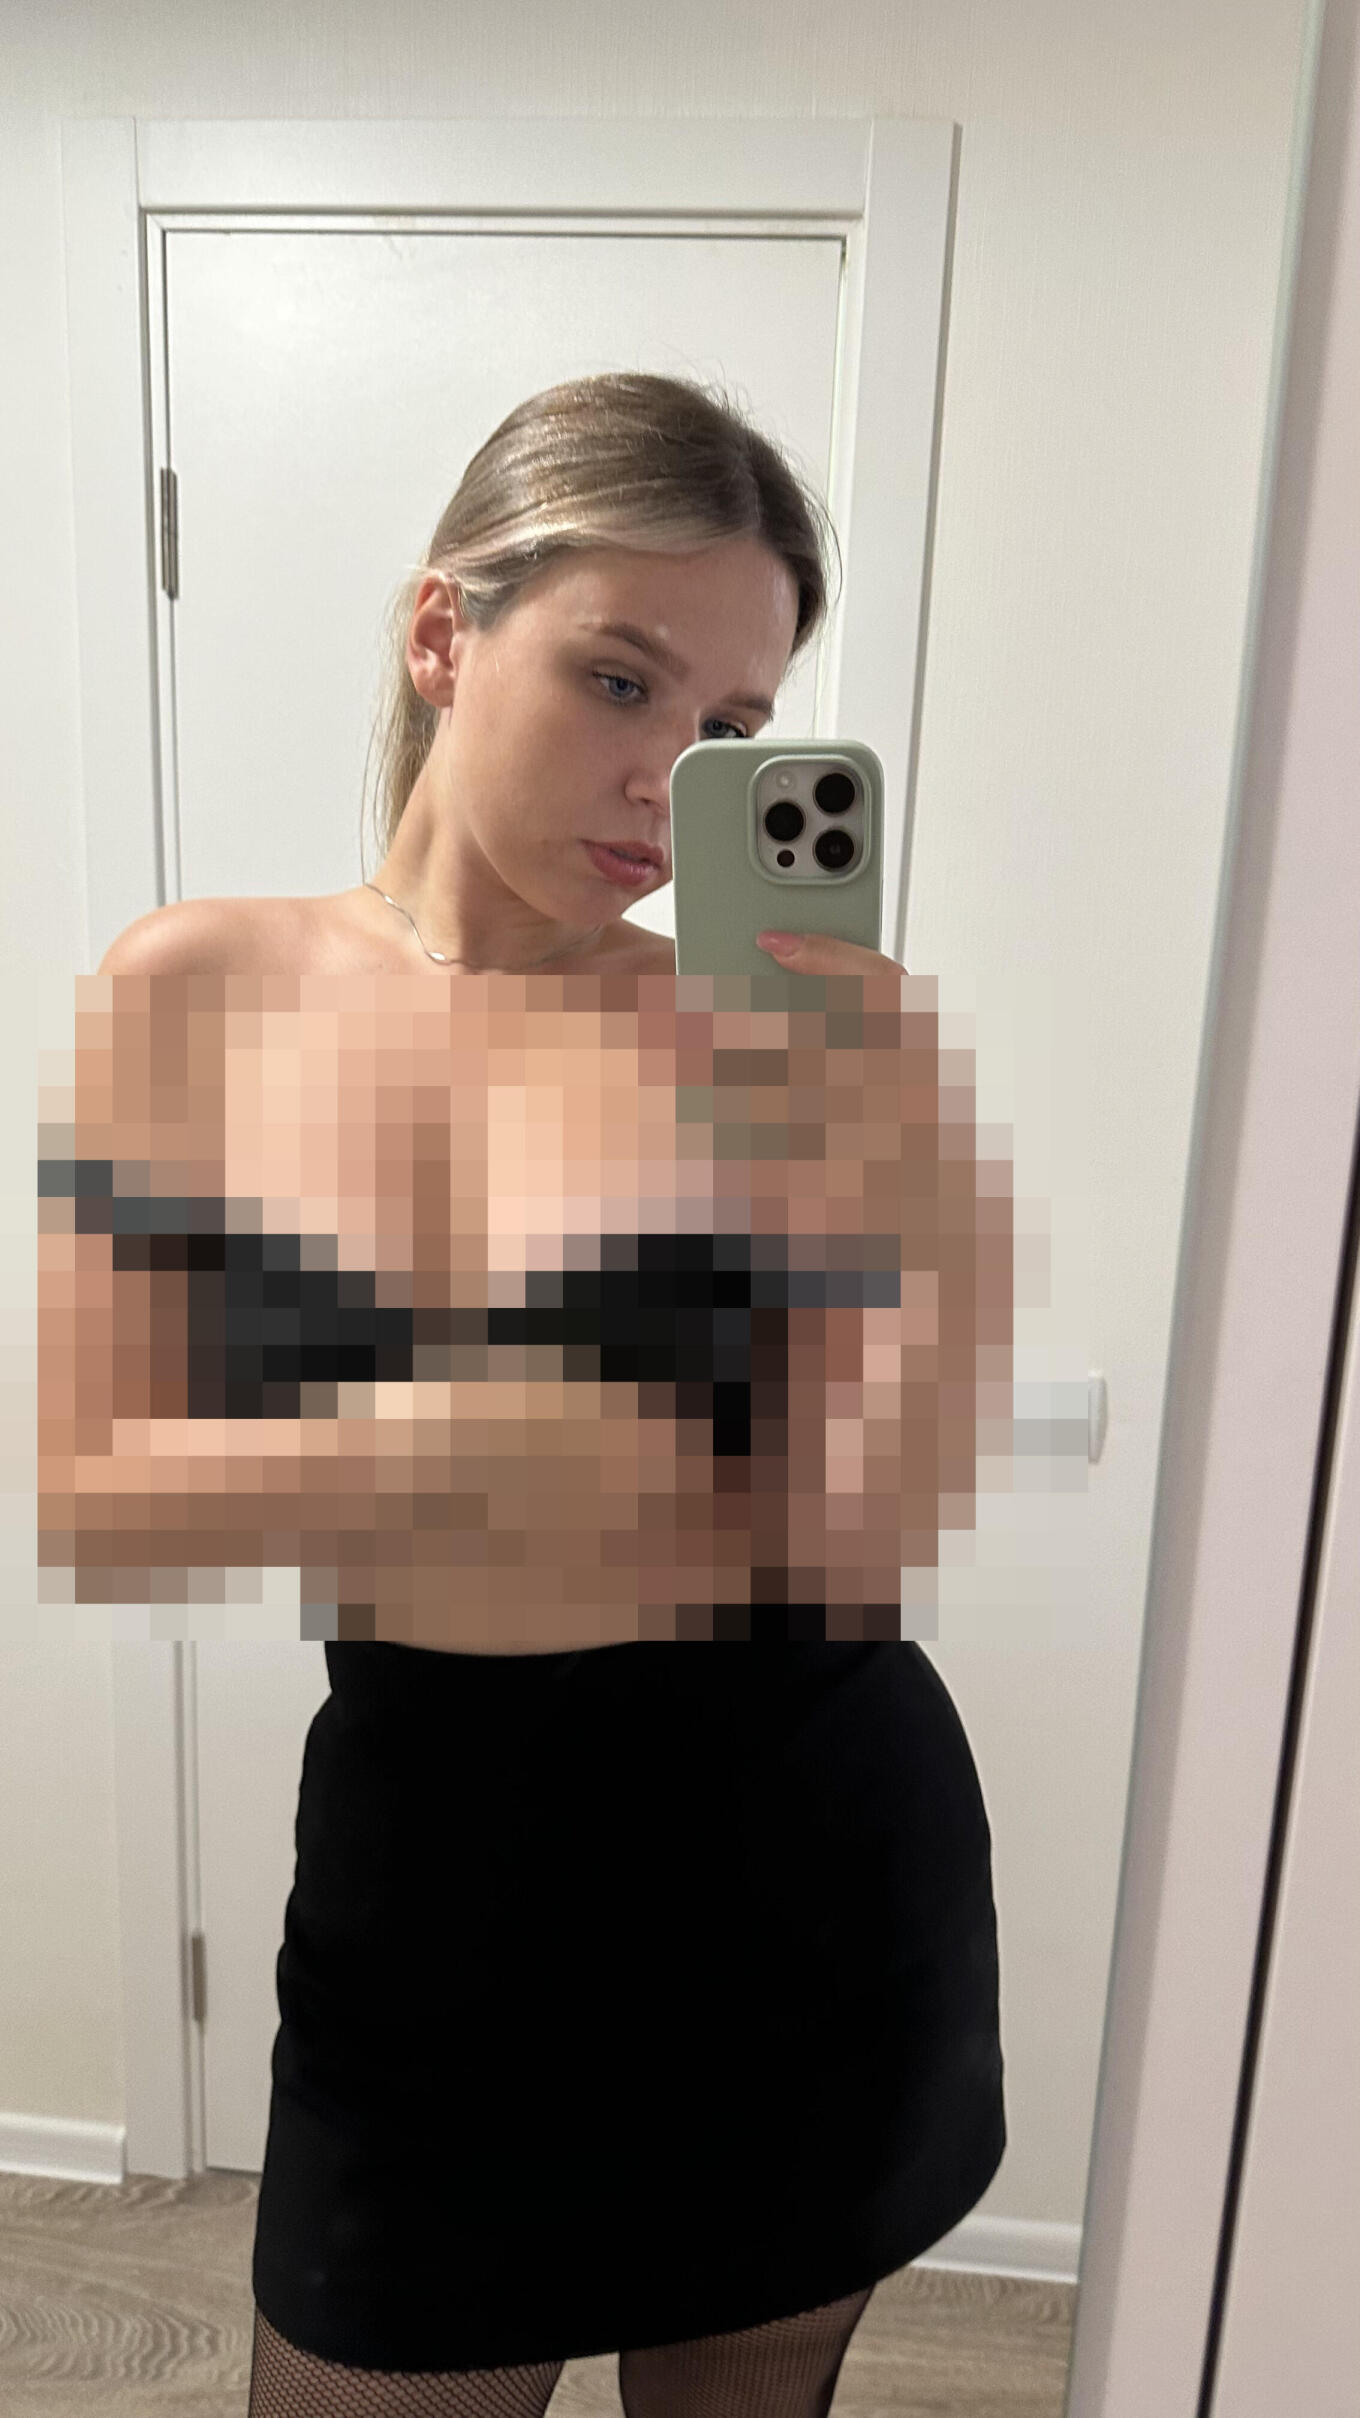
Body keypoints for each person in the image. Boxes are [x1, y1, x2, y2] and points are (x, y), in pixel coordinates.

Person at [97, 371, 1007, 2416]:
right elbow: (146, 1471)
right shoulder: (211, 985)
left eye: (728, 725)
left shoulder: (747, 1029)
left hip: (810, 1891)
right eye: (618, 679)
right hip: (446, 1925)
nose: (665, 774)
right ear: (446, 633)